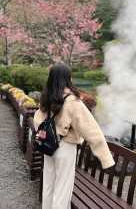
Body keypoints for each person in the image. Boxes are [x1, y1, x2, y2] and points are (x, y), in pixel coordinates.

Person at [33, 63, 115, 209]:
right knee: (62, 190)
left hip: (48, 146)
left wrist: (44, 133)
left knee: (48, 186)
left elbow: (37, 119)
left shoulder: (46, 96)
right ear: (68, 78)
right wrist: (106, 158)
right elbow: (91, 130)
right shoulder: (73, 101)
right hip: (65, 148)